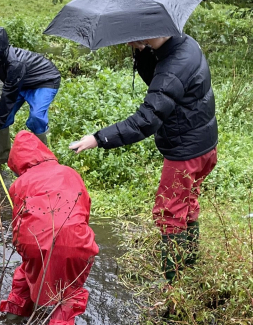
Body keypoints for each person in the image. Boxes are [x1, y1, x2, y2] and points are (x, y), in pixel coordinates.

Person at [68, 33, 217, 281]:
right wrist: (143, 50)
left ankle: (175, 282)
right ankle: (189, 262)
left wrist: (98, 138)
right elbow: (161, 86)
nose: (130, 40)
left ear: (156, 31)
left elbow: (146, 120)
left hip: (185, 153)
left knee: (170, 213)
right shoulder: (184, 44)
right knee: (188, 201)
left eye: (138, 34)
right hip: (204, 145)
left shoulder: (174, 66)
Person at [0, 131, 98, 325]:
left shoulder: (19, 184)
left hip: (34, 243)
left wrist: (26, 251)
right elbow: (84, 211)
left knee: (27, 273)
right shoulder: (69, 172)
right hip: (76, 241)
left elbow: (18, 226)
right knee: (69, 292)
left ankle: (13, 317)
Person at [0, 26, 62, 163]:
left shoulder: (15, 63)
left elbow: (8, 96)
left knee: (37, 117)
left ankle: (43, 161)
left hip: (45, 81)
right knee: (0, 113)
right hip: (21, 82)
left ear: (2, 45)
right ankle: (3, 159)